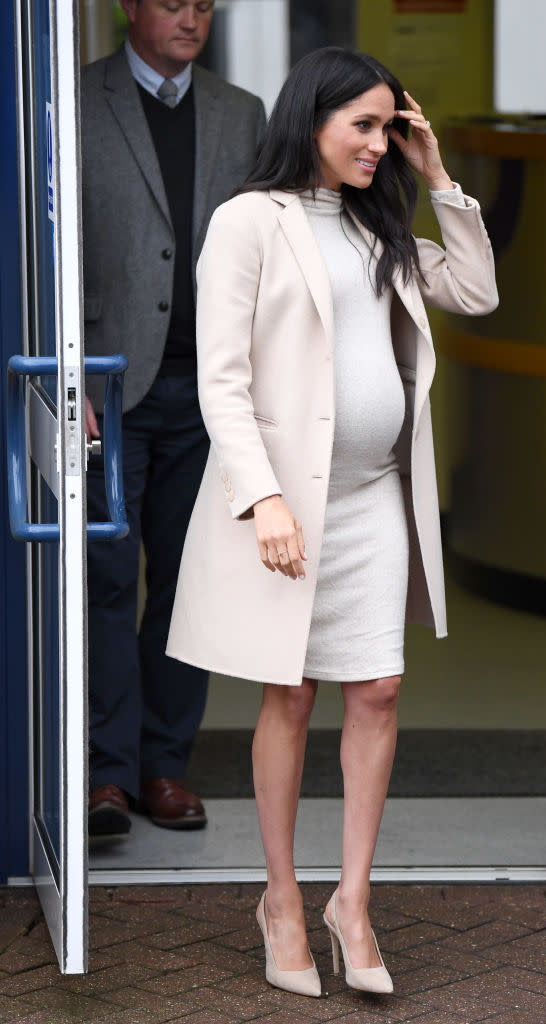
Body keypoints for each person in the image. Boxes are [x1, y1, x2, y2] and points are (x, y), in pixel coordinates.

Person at [167, 46, 497, 995]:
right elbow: (220, 377)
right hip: (290, 506)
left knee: (378, 692)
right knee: (291, 697)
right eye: (363, 125)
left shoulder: (377, 217)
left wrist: (435, 176)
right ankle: (280, 895)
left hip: (372, 496)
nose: (379, 142)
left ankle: (351, 900)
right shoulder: (248, 222)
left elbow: (474, 290)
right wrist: (261, 495)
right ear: (309, 121)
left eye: (391, 126)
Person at [81, 0, 265, 836]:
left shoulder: (241, 113)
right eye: (172, 2)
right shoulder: (78, 102)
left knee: (188, 588)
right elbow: (50, 242)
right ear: (129, 8)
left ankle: (165, 767)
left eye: (203, 4)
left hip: (211, 394)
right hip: (109, 387)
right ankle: (106, 774)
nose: (191, 18)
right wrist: (68, 369)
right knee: (108, 581)